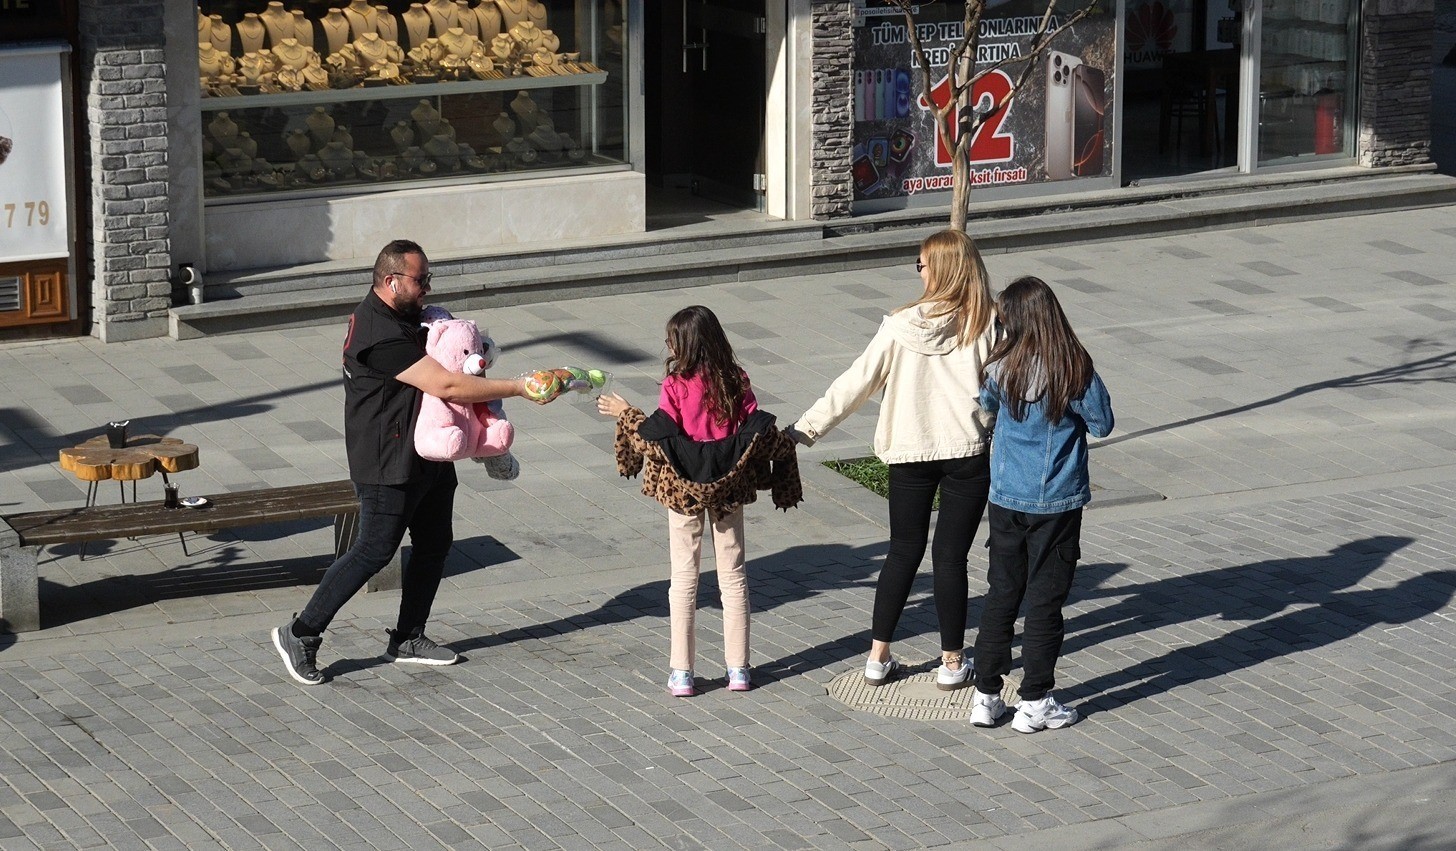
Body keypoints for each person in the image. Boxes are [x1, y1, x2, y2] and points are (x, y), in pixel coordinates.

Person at [272, 239, 561, 686]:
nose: (427, 287)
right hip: (386, 460)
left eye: (429, 277)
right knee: (373, 551)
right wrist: (520, 387)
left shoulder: (410, 316)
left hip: (428, 450)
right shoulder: (378, 333)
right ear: (391, 281)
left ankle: (408, 637)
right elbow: (447, 385)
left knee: (434, 543)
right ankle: (300, 633)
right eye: (420, 279)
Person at [789, 229, 998, 691]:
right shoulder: (988, 323)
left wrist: (805, 430)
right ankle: (952, 663)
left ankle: (877, 657)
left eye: (921, 264)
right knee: (950, 558)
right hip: (967, 452)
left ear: (939, 269)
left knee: (903, 550)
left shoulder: (899, 326)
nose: (919, 272)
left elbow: (855, 383)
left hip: (909, 451)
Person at [597, 305, 801, 696]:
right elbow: (753, 431)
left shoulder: (675, 385)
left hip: (683, 492)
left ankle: (682, 673)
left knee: (684, 578)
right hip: (729, 491)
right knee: (734, 577)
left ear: (685, 344)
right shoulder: (736, 380)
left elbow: (657, 437)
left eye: (672, 339)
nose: (668, 345)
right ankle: (739, 669)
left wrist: (625, 413)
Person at [968, 276, 1113, 733]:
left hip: (1005, 496)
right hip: (1055, 500)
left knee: (1001, 595)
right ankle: (1034, 702)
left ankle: (986, 696)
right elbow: (1103, 423)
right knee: (1046, 602)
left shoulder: (1000, 364)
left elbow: (985, 407)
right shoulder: (1072, 367)